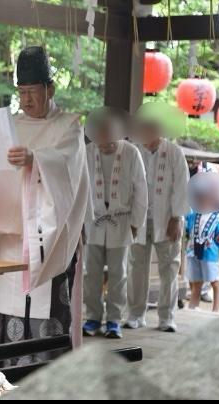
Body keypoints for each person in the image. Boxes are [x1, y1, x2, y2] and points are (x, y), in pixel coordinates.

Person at [0, 46, 91, 349]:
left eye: (33, 91)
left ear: (50, 89)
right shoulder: (10, 126)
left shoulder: (69, 126)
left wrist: (36, 160)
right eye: (22, 92)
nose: (27, 100)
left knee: (46, 320)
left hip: (47, 245)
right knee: (6, 318)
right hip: (6, 242)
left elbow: (67, 170)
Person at [82, 109, 147, 339]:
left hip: (121, 221)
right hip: (93, 221)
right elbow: (79, 189)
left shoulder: (131, 152)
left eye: (109, 134)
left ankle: (113, 320)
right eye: (101, 134)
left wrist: (137, 222)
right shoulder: (87, 152)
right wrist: (79, 223)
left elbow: (141, 189)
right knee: (91, 273)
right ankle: (91, 317)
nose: (105, 140)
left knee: (119, 273)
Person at [126, 116, 189, 333]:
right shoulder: (134, 151)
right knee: (136, 268)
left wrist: (178, 217)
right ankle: (135, 314)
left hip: (167, 219)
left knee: (170, 268)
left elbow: (183, 186)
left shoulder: (174, 152)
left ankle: (167, 317)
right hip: (139, 220)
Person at [184, 188, 219, 312]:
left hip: (210, 253)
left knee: (214, 281)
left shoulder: (217, 217)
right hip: (193, 251)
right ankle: (193, 307)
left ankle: (215, 310)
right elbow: (186, 229)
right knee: (196, 282)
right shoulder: (192, 214)